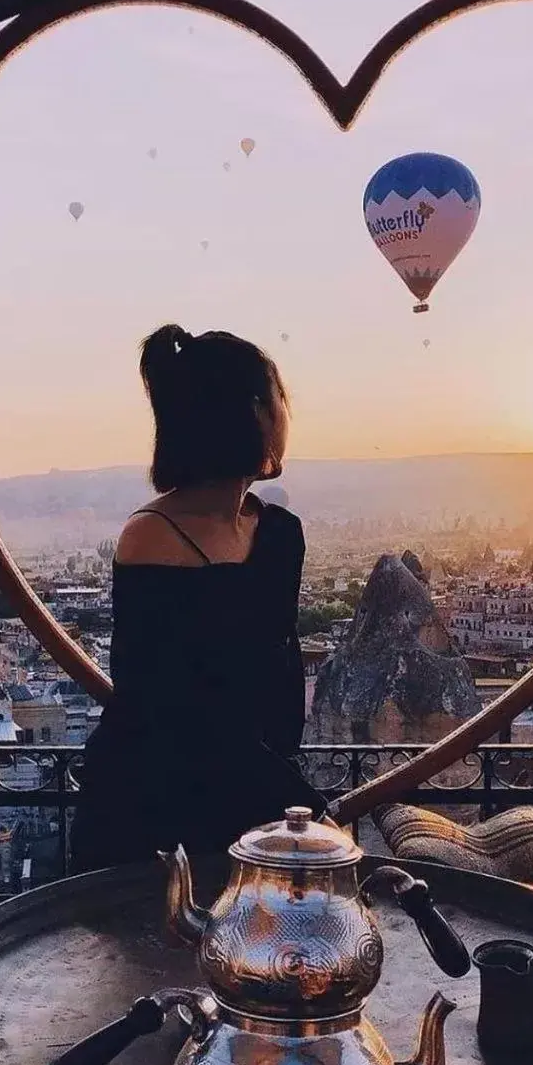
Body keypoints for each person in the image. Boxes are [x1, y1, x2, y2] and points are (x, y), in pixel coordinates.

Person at [70, 324, 325, 871]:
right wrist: (294, 801)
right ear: (255, 412)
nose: (287, 415)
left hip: (250, 800)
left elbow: (275, 675)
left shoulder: (280, 533)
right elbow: (167, 708)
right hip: (156, 814)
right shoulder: (152, 538)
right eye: (281, 399)